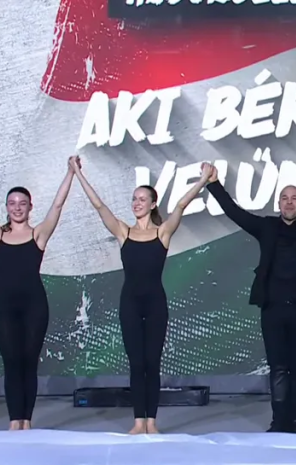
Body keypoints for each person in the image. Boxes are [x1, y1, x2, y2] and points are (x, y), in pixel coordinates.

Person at [204, 163, 296, 434]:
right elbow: (235, 212)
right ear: (278, 204)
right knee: (278, 368)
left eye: (294, 198)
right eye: (284, 198)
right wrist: (213, 183)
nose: (289, 202)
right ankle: (279, 422)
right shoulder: (266, 227)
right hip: (272, 309)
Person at [72, 157, 211, 434]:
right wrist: (77, 173)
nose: (136, 203)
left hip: (156, 303)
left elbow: (181, 205)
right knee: (136, 364)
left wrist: (204, 179)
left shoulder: (163, 232)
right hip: (130, 304)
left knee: (152, 363)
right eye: (134, 199)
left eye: (142, 199)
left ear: (152, 204)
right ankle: (138, 421)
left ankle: (152, 422)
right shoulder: (123, 232)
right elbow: (99, 206)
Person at [0, 149, 75, 430]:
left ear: (30, 207)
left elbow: (57, 206)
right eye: (12, 203)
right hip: (4, 307)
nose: (17, 208)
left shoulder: (38, 234)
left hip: (34, 307)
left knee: (28, 361)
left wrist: (70, 173)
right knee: (11, 362)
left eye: (22, 203)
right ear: (6, 207)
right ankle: (14, 420)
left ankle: (26, 419)